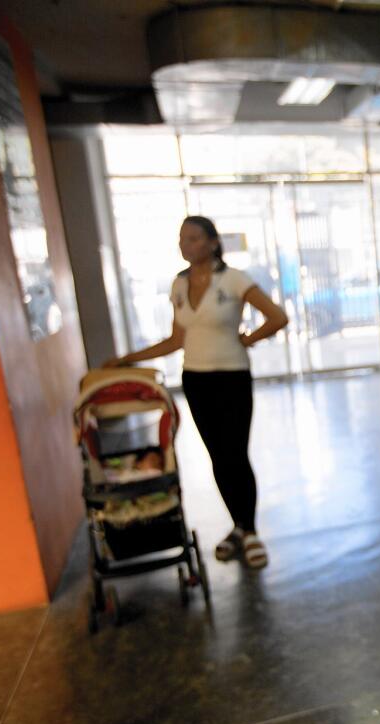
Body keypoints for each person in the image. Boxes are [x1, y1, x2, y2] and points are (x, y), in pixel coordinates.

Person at [104, 216, 288, 568]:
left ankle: (250, 532)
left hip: (231, 377)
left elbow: (277, 317)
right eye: (181, 239)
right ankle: (237, 526)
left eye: (192, 238)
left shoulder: (233, 280)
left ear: (212, 242)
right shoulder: (179, 284)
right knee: (218, 457)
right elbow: (176, 339)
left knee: (236, 454)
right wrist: (128, 359)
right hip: (197, 380)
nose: (184, 245)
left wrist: (248, 339)